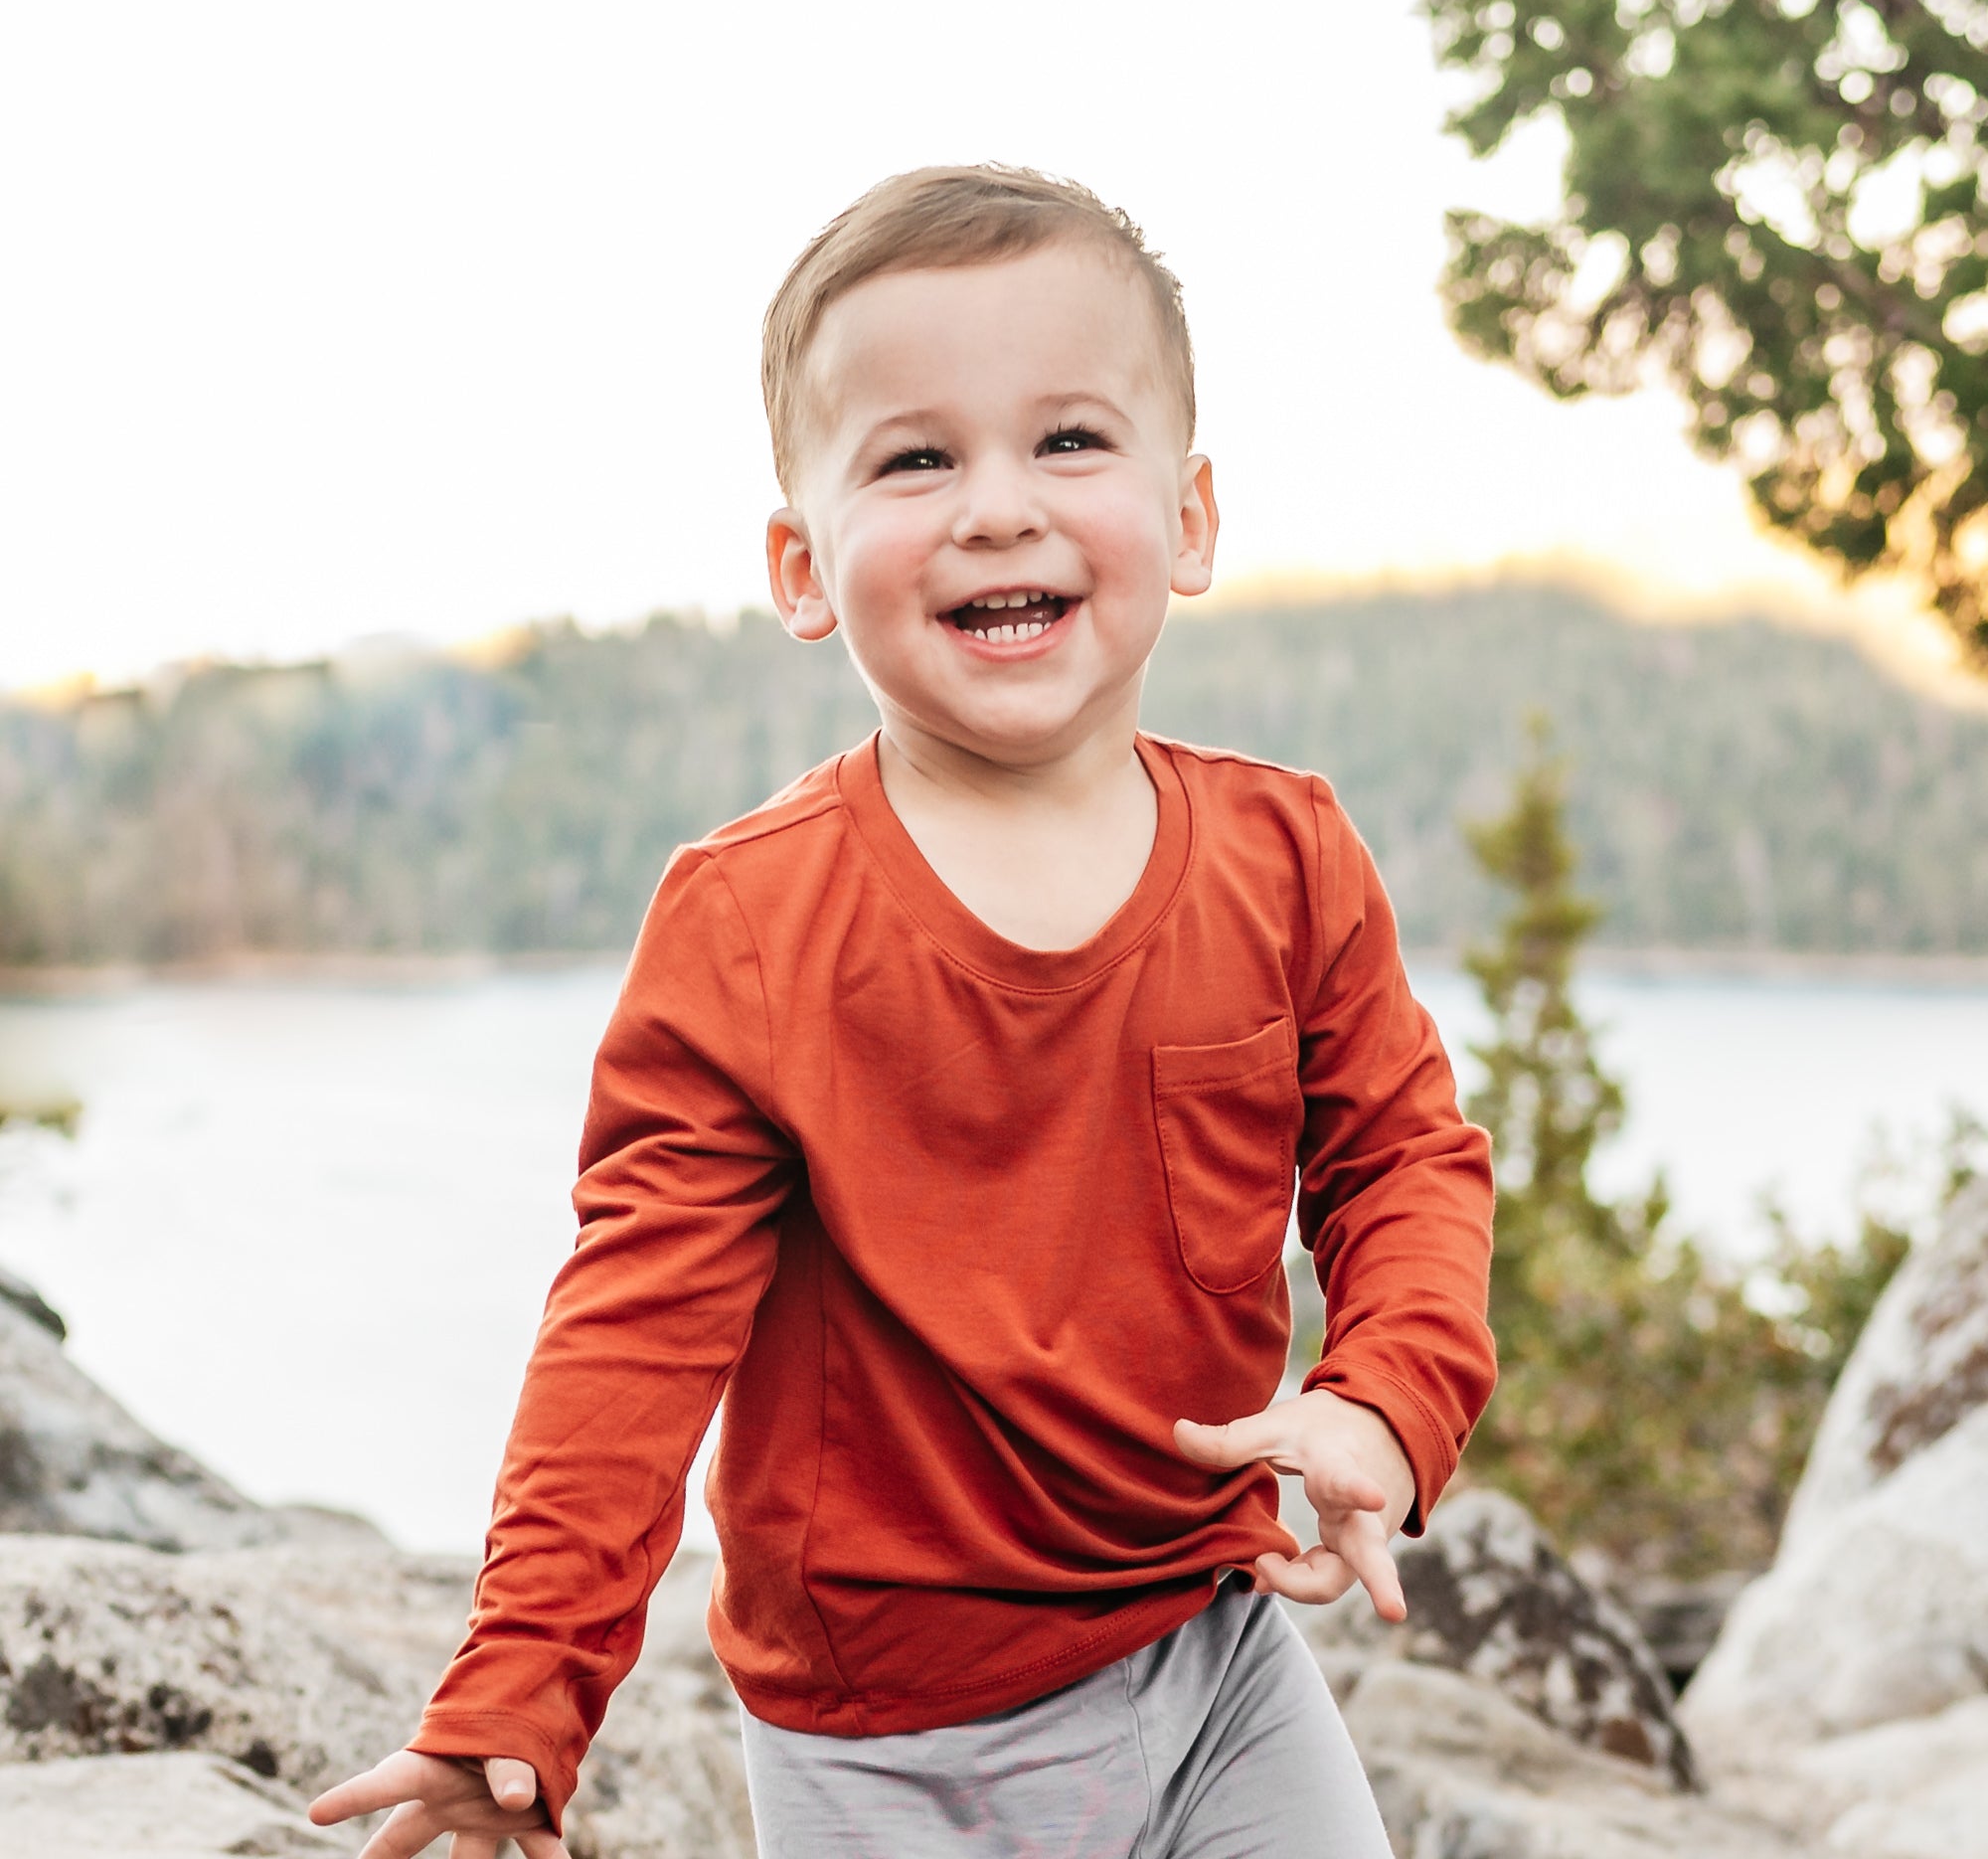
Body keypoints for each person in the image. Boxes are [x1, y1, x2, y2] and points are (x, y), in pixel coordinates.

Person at [310, 165, 1496, 1859]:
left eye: (1071, 441)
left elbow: (1407, 1165)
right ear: (803, 565)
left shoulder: (1286, 853)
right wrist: (523, 1688)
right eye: (916, 457)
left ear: (1193, 518)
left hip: (1213, 1649)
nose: (997, 507)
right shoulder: (749, 923)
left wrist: (1384, 1396)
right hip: (887, 1738)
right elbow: (634, 1339)